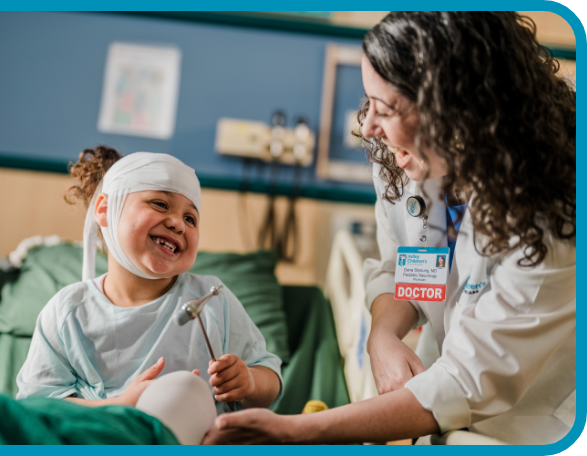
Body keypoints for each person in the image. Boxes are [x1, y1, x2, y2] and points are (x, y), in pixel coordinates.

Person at [203, 11, 575, 445]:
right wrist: (381, 334)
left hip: (532, 425)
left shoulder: (555, 220)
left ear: (457, 109)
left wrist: (296, 430)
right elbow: (411, 270)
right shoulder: (411, 165)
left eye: (385, 108)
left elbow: (471, 379)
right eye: (368, 103)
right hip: (445, 407)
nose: (367, 126)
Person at [16, 147, 282, 443]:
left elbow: (269, 378)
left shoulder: (211, 300)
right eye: (159, 204)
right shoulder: (67, 312)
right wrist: (118, 406)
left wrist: (248, 382)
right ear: (105, 209)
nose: (178, 223)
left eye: (191, 219)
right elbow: (35, 408)